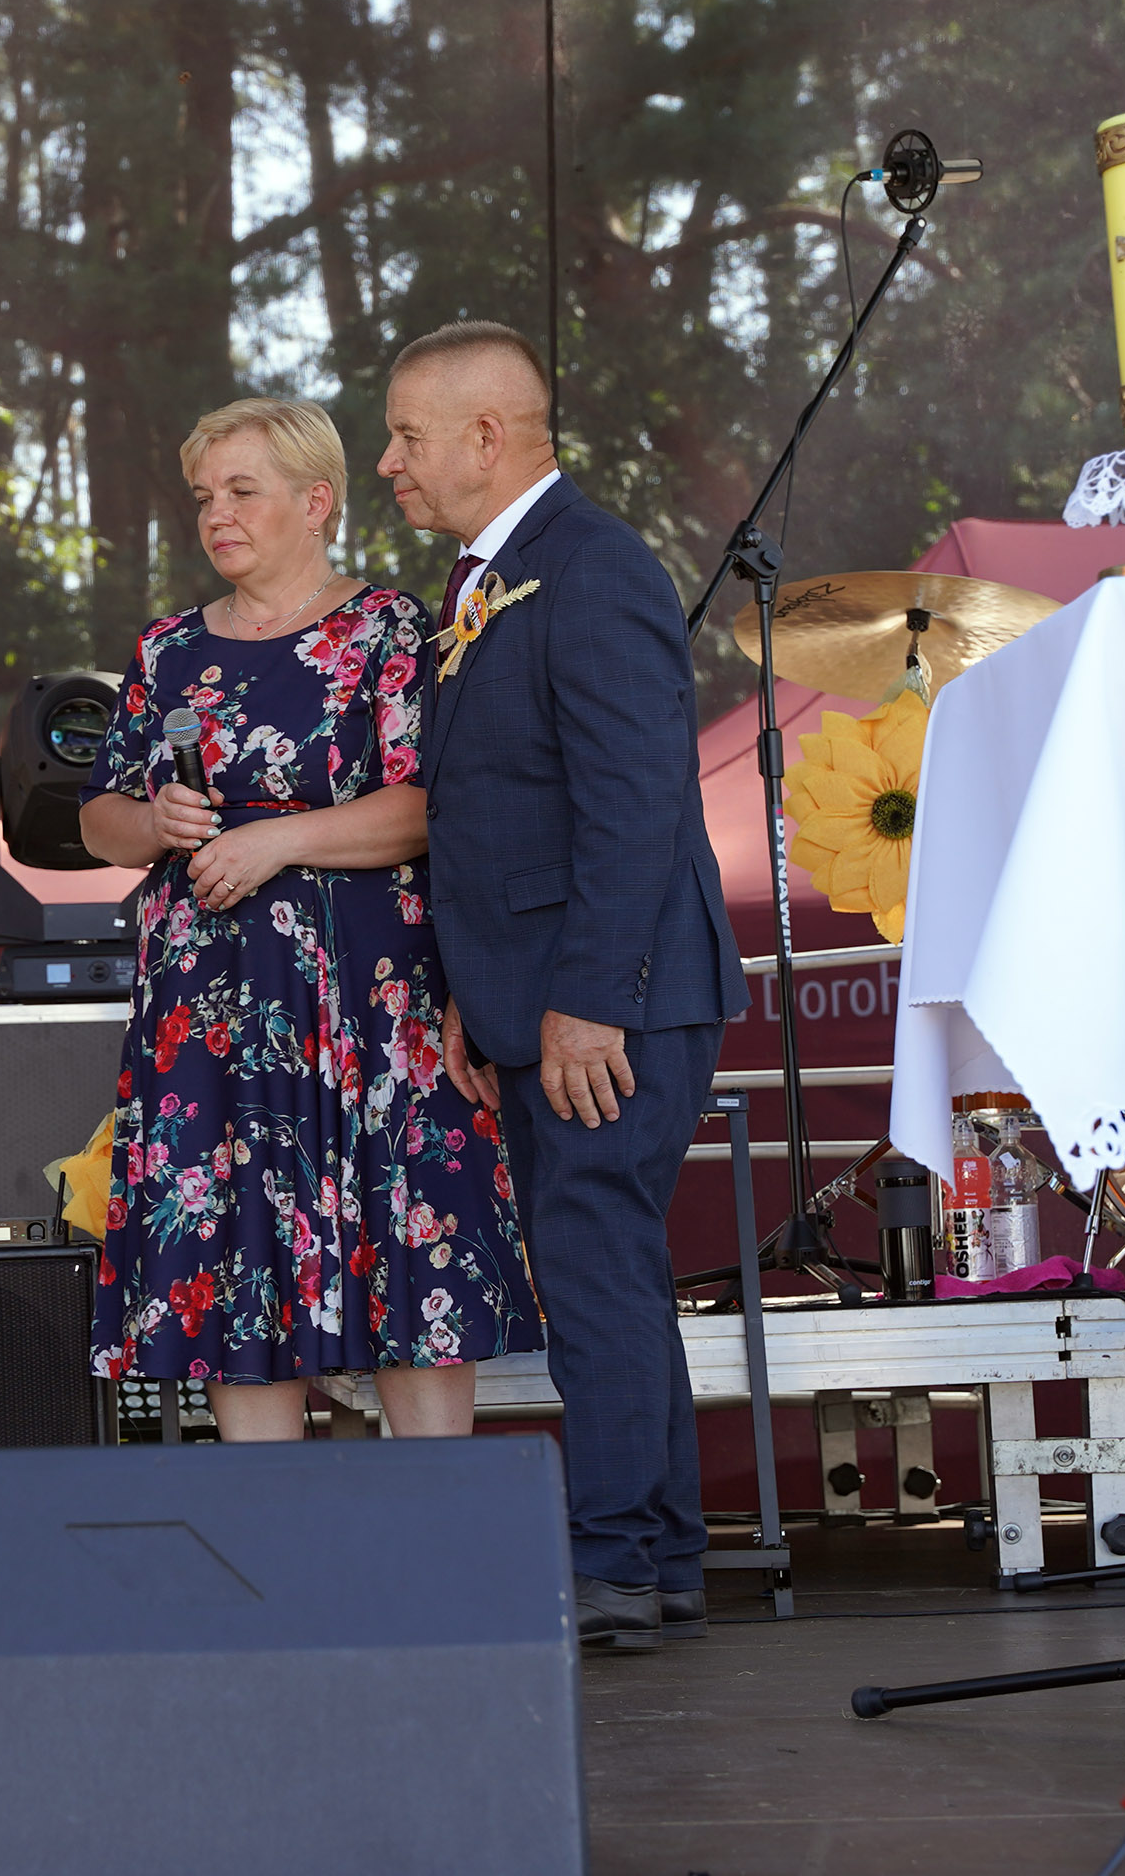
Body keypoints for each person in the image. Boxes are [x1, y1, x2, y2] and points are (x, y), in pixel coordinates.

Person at [380, 322, 744, 1650]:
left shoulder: (591, 567)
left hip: (612, 997)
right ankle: (656, 1557)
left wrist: (590, 997)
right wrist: (480, 995)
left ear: (487, 435)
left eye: (407, 436)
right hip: (544, 996)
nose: (389, 463)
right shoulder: (499, 577)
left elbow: (636, 800)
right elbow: (496, 807)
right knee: (608, 1267)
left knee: (593, 1268)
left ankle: (611, 1563)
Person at [79, 397, 541, 1439]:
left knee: (413, 1269)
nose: (218, 513)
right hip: (210, 1015)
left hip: (371, 1010)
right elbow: (98, 819)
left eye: (244, 490)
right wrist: (153, 821)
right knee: (238, 1269)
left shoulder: (389, 629)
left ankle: (437, 1522)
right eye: (205, 494)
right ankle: (268, 1532)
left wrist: (277, 840)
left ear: (317, 500)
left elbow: (430, 806)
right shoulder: (165, 649)